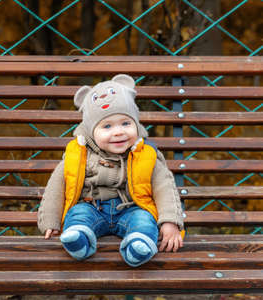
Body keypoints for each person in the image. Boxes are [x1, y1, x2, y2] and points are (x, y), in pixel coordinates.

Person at [37, 74, 184, 267]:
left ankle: (137, 245)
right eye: (107, 126)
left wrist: (170, 222)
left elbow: (165, 188)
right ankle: (79, 240)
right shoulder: (78, 154)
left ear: (136, 125)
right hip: (92, 207)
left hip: (131, 209)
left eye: (126, 123)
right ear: (91, 131)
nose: (118, 132)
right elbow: (56, 187)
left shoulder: (146, 154)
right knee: (78, 214)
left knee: (145, 220)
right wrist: (50, 222)